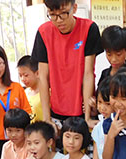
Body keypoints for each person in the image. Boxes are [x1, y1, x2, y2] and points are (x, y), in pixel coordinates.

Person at [31, 0, 103, 128]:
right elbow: (42, 77)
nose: (58, 20)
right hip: (56, 110)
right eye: (52, 15)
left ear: (74, 8)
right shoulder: (44, 32)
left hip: (82, 109)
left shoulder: (89, 29)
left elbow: (88, 73)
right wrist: (47, 119)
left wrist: (87, 117)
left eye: (63, 14)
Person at [17, 55, 42, 122]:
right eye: (20, 75)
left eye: (26, 75)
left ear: (37, 73)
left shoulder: (47, 93)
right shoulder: (24, 92)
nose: (23, 79)